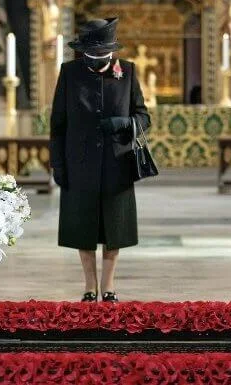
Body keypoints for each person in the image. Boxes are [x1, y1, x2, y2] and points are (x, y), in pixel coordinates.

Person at [50, 18, 151, 303]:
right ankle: (88, 287)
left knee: (113, 230)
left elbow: (144, 117)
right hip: (78, 164)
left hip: (117, 165)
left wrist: (123, 123)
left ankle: (108, 288)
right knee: (82, 229)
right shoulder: (68, 73)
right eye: (90, 57)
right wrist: (58, 165)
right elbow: (58, 124)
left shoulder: (128, 72)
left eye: (101, 57)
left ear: (111, 52)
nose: (96, 62)